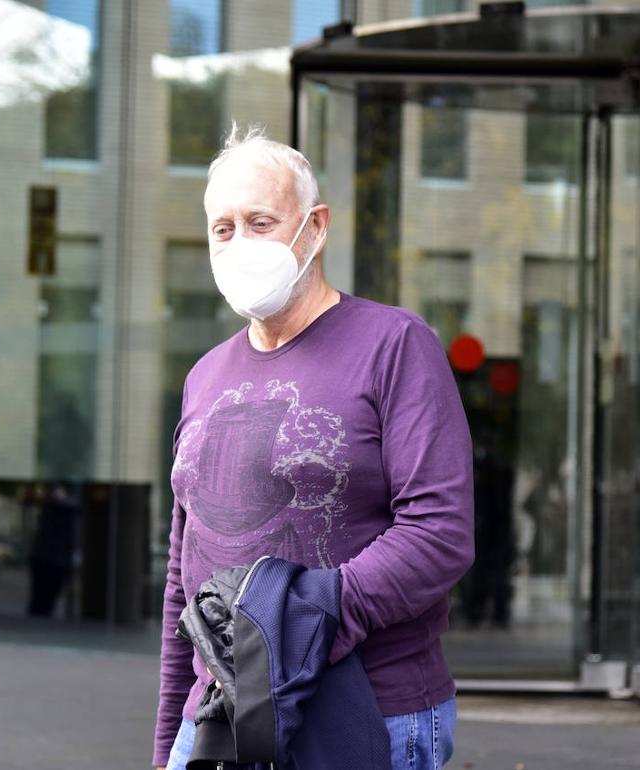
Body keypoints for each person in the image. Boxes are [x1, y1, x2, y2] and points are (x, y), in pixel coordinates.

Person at [153, 125, 475, 770]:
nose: (239, 244)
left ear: (315, 227)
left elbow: (439, 532)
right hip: (219, 717)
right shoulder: (204, 376)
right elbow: (183, 580)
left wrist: (300, 622)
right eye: (223, 229)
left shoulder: (394, 345)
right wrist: (167, 744)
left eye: (261, 222)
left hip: (369, 711)